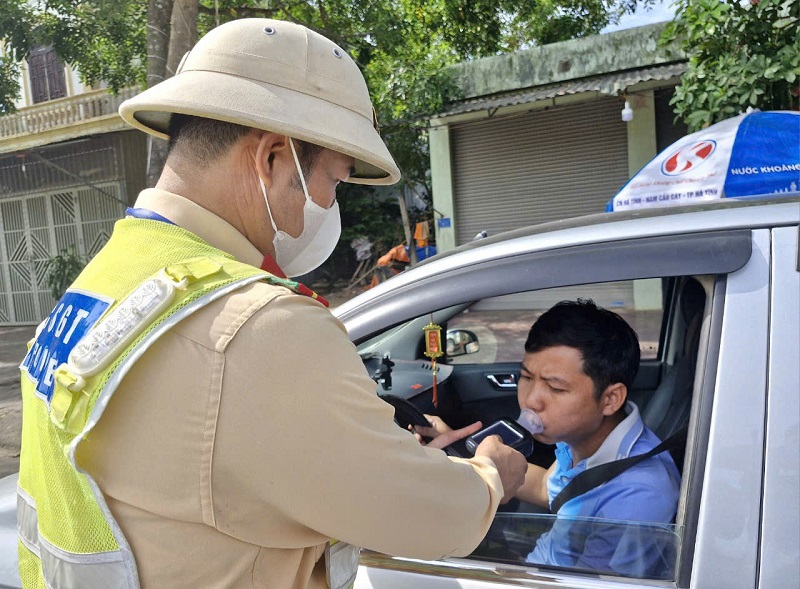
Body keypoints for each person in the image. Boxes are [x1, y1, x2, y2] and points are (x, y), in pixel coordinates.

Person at [16, 18, 528, 589]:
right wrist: (489, 472)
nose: (331, 208)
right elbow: (434, 520)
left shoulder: (108, 278)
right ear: (272, 159)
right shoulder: (260, 331)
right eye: (333, 183)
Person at [415, 299, 681, 577]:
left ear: (611, 399)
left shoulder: (637, 496)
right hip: (541, 561)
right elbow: (546, 488)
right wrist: (454, 444)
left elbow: (587, 584)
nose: (531, 400)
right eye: (526, 377)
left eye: (555, 387)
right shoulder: (584, 437)